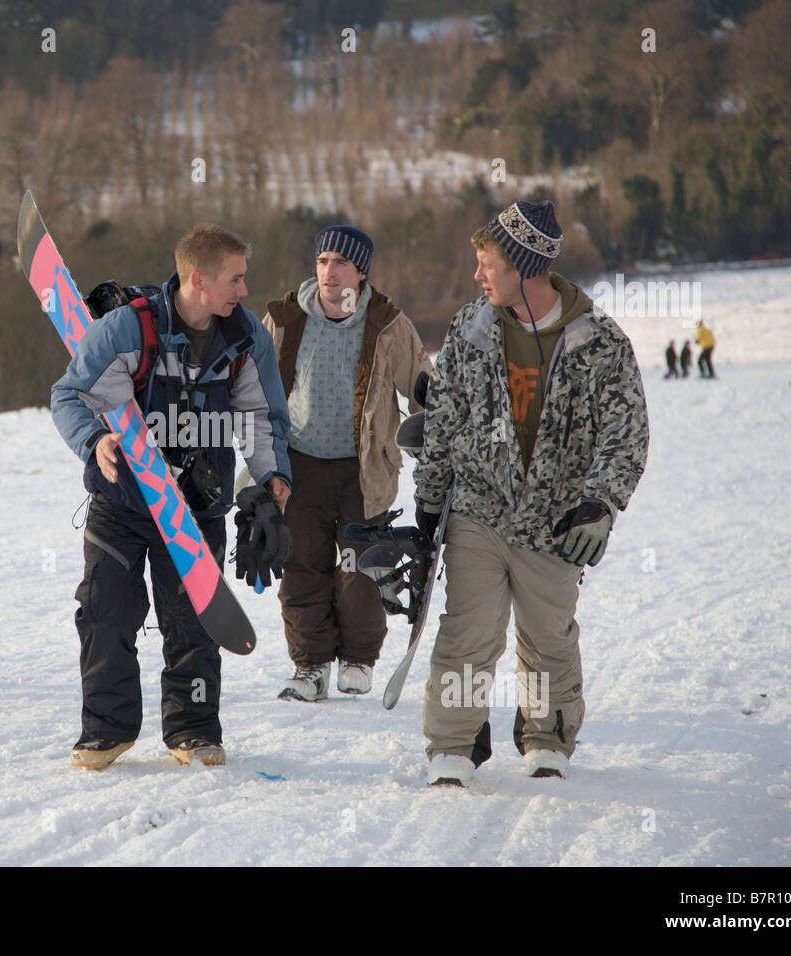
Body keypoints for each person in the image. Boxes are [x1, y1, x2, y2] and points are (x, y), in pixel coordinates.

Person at [413, 199, 649, 786]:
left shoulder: (599, 342)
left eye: (488, 263)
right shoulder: (469, 328)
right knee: (469, 630)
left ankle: (547, 738)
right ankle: (454, 744)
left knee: (547, 635)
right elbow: (444, 420)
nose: (478, 275)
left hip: (557, 518)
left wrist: (600, 502)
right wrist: (426, 505)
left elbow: (626, 432)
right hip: (478, 508)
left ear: (524, 265)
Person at [50, 224, 292, 770]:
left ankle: (193, 731)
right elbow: (69, 395)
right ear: (197, 280)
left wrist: (271, 476)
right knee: (105, 612)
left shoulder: (243, 336)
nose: (244, 289)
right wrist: (95, 440)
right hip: (122, 500)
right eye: (235, 278)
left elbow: (259, 414)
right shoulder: (128, 329)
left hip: (196, 504)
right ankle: (105, 732)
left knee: (195, 620)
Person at [260, 225, 433, 701]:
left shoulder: (387, 323)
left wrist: (436, 446)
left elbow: (425, 390)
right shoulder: (286, 317)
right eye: (322, 262)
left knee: (361, 568)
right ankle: (310, 665)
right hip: (300, 466)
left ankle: (358, 658)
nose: (329, 272)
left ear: (361, 272)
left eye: (340, 263)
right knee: (301, 566)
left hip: (365, 469)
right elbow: (256, 391)